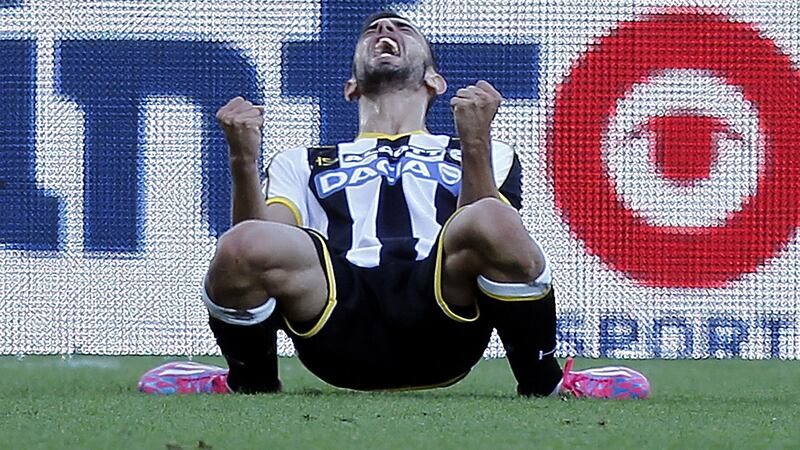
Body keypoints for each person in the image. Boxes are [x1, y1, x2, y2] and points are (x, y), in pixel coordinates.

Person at [138, 11, 650, 399]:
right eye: (373, 30)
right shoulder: (302, 161)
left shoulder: (484, 150)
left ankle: (544, 381)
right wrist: (242, 160)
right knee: (242, 242)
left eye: (401, 29)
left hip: (443, 320)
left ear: (434, 81)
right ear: (351, 86)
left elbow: (493, 238)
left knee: (493, 216)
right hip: (335, 323)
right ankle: (249, 380)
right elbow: (251, 250)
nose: (385, 29)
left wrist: (475, 143)